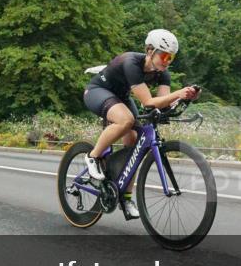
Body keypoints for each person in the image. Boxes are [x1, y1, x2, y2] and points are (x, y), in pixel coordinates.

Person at [82, 29, 199, 219]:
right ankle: (93, 157)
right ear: (150, 51)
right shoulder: (131, 63)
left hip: (121, 97)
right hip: (97, 91)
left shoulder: (163, 74)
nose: (167, 61)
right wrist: (178, 93)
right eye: (164, 56)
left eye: (171, 57)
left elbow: (162, 104)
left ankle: (126, 197)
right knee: (126, 120)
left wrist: (185, 97)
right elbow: (148, 102)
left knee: (135, 142)